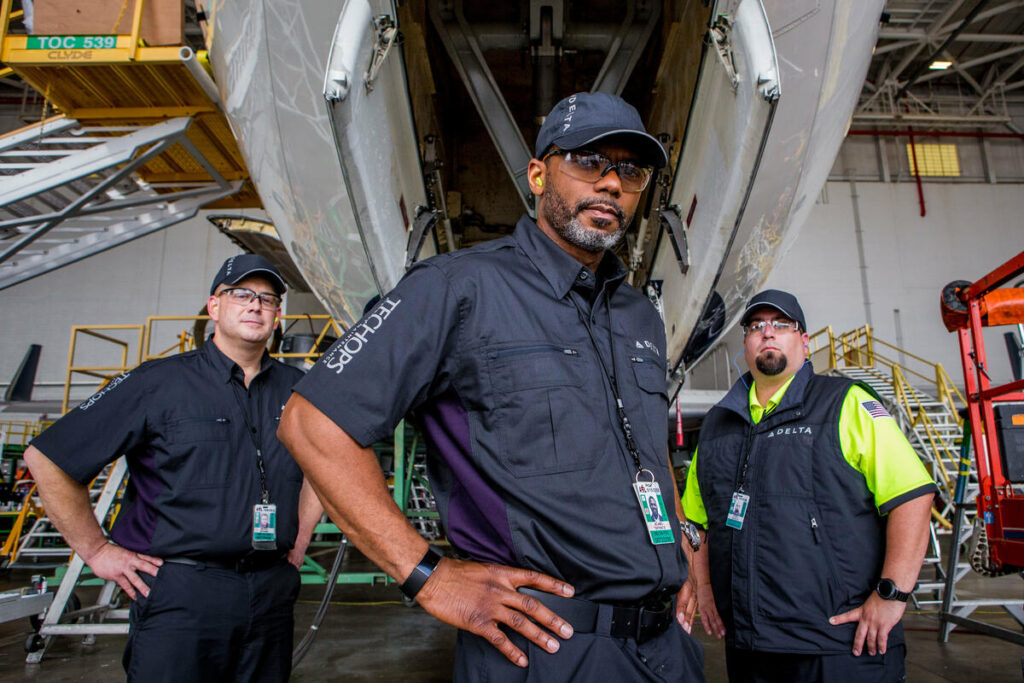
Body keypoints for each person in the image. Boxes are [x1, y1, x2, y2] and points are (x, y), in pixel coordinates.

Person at [279, 92, 706, 681]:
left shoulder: (638, 315)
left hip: (665, 647)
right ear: (538, 175)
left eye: (630, 171)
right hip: (545, 647)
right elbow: (312, 422)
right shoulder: (455, 288)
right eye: (588, 161)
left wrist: (678, 541)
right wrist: (426, 574)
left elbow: (646, 446)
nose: (611, 183)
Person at [24, 254, 323, 683]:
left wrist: (302, 533)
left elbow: (323, 467)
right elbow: (48, 457)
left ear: (277, 316)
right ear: (214, 307)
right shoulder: (157, 382)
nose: (255, 305)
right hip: (181, 593)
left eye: (268, 298)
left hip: (271, 591)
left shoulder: (299, 391)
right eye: (241, 294)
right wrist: (97, 550)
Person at [681, 289, 938, 682]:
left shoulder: (845, 404)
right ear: (746, 345)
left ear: (804, 342)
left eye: (781, 324)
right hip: (749, 648)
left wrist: (892, 595)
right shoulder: (718, 424)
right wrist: (703, 585)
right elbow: (697, 523)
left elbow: (912, 496)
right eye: (756, 326)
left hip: (840, 646)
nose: (768, 332)